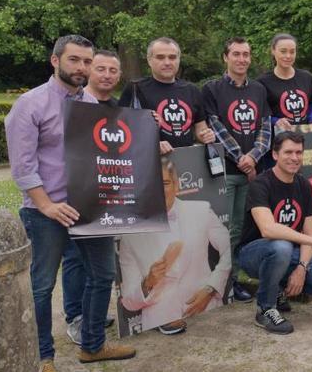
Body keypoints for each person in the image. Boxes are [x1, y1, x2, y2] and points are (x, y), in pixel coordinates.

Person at [7, 35, 136, 371]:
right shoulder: (30, 103)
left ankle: (92, 346)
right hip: (46, 212)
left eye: (86, 62)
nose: (82, 68)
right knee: (42, 285)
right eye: (75, 60)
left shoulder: (93, 108)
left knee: (102, 275)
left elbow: (105, 159)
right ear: (55, 61)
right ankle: (42, 356)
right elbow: (22, 166)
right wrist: (47, 205)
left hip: (91, 208)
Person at [237, 131, 312, 334]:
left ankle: (278, 287)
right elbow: (268, 229)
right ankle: (265, 308)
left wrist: (302, 268)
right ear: (275, 155)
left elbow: (308, 230)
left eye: (298, 152)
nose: (294, 158)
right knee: (281, 245)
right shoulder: (261, 183)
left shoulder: (303, 185)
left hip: (288, 254)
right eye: (288, 152)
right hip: (253, 254)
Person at [118, 156, 231, 334]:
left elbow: (230, 249)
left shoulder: (201, 211)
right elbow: (129, 302)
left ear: (176, 185)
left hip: (208, 311)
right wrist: (147, 283)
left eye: (164, 183)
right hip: (160, 323)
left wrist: (211, 289)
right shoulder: (130, 234)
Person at [202, 36, 272, 303]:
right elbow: (215, 127)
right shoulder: (211, 89)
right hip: (225, 172)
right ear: (225, 57)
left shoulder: (258, 89)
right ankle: (219, 283)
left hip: (250, 171)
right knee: (222, 230)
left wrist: (253, 157)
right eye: (236, 54)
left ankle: (232, 280)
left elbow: (265, 127)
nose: (242, 59)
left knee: (241, 229)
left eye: (246, 54)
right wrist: (241, 157)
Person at [63, 50, 122, 345]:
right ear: (90, 71)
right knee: (75, 258)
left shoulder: (118, 108)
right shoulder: (73, 104)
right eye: (101, 69)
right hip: (75, 194)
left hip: (107, 192)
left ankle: (91, 313)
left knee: (99, 264)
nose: (107, 75)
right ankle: (75, 317)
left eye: (113, 70)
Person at [118, 37, 216, 155]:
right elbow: (121, 131)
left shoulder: (192, 90)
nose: (167, 62)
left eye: (172, 57)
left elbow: (200, 129)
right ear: (149, 60)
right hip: (149, 163)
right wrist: (152, 145)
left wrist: (206, 135)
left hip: (188, 162)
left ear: (179, 60)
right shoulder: (135, 89)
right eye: (160, 57)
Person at [258, 33, 312, 131]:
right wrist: (275, 121)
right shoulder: (262, 82)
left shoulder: (306, 77)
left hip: (306, 136)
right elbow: (260, 115)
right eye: (283, 51)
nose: (288, 56)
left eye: (292, 52)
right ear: (273, 51)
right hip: (279, 139)